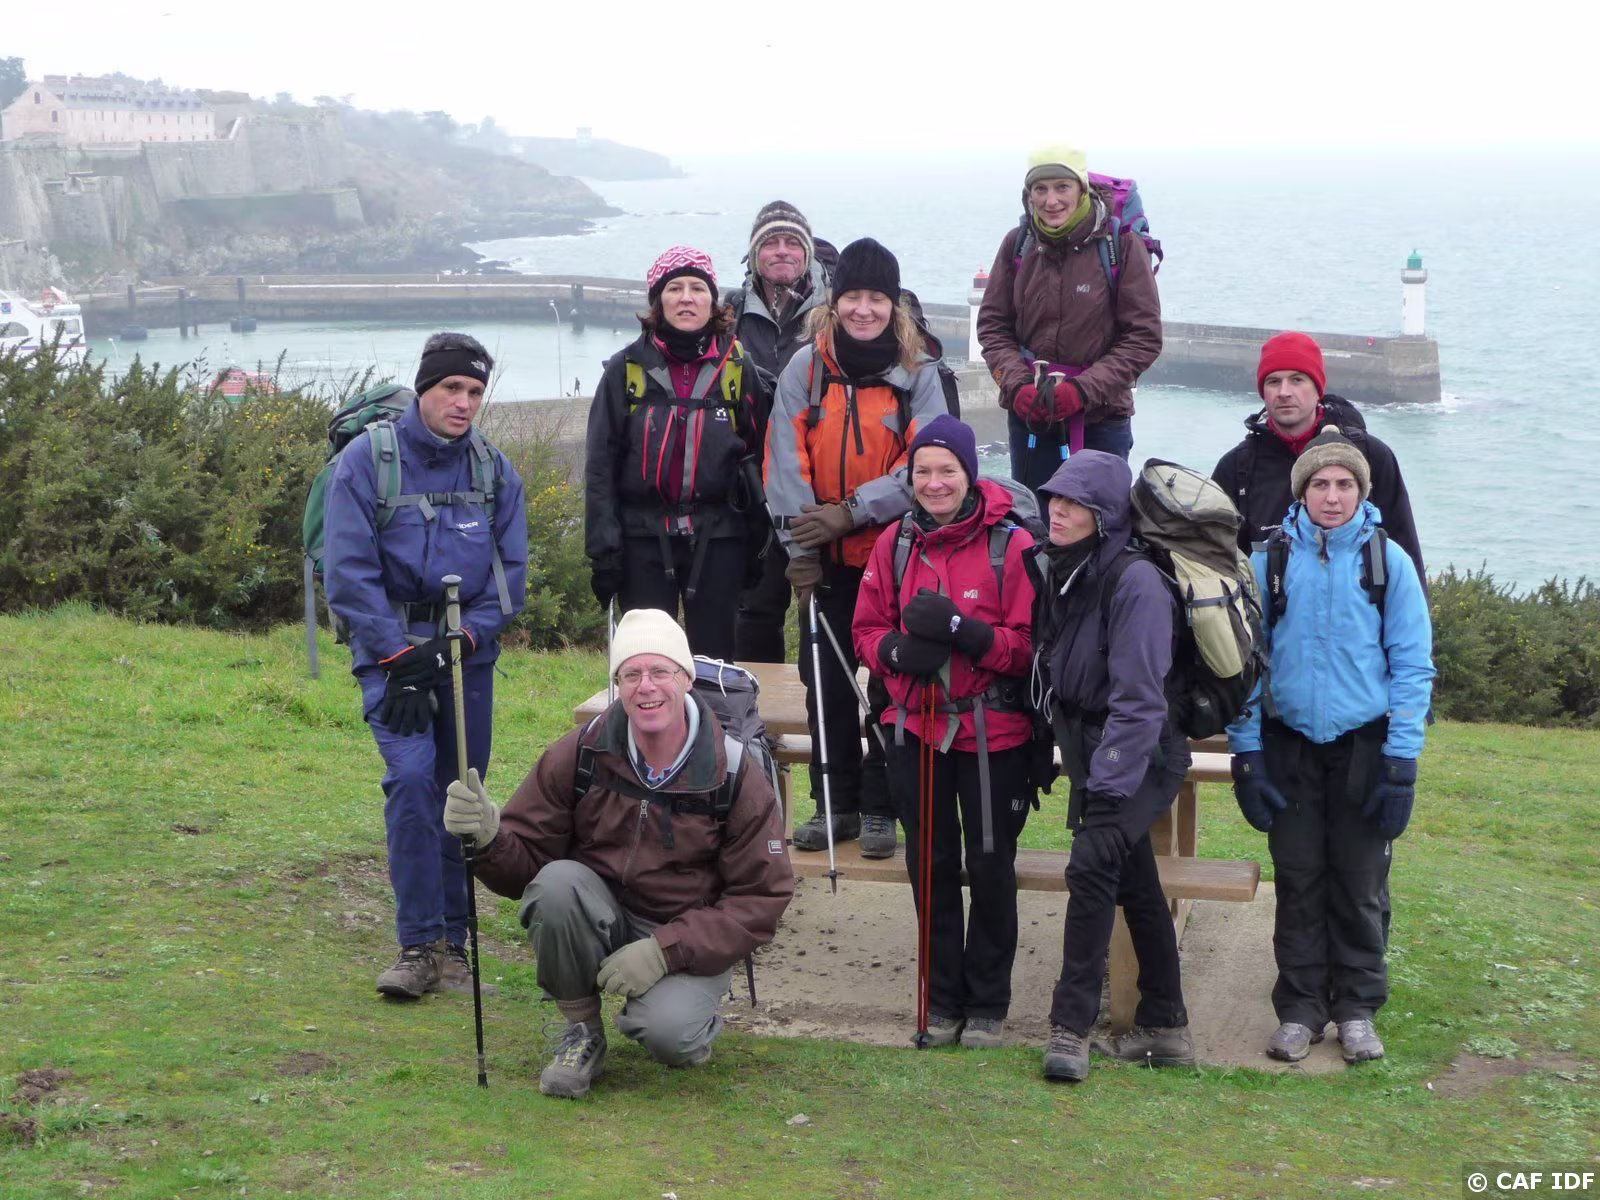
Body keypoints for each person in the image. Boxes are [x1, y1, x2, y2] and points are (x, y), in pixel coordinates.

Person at [441, 609, 795, 1099]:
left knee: (671, 1037)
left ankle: (685, 1017)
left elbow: (760, 898)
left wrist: (665, 951)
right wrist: (487, 838)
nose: (646, 687)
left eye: (660, 671)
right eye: (631, 674)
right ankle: (581, 1032)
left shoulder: (734, 773)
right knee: (557, 885)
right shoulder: (580, 752)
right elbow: (526, 871)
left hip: (684, 932)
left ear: (686, 678)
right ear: (617, 685)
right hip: (599, 910)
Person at [323, 332, 529, 999]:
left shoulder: (493, 472)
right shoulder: (366, 462)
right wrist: (397, 654)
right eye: (451, 388)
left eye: (475, 391)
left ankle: (455, 942)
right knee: (412, 782)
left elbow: (510, 581)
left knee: (460, 789)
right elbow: (348, 572)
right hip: (390, 657)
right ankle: (418, 946)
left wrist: (461, 640)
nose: (463, 402)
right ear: (424, 389)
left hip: (465, 657)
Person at [1227, 428, 1434, 1065]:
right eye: (1320, 483)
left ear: (1362, 491)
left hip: (1365, 747)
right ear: (1302, 491)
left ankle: (1357, 1009)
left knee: (1360, 881)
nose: (1333, 495)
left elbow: (1413, 666)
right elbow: (1244, 664)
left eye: (1345, 484)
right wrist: (1246, 753)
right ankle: (1300, 1009)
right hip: (1288, 745)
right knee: (1298, 879)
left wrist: (1401, 762)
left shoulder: (1388, 563)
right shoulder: (1267, 562)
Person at [853, 415, 1038, 1047]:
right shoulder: (894, 543)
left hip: (994, 733)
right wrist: (897, 653)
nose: (934, 483)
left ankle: (987, 1002)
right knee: (929, 863)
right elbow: (866, 628)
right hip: (916, 728)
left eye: (947, 470)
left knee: (990, 864)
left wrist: (967, 632)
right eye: (923, 471)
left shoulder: (1012, 545)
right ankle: (941, 1001)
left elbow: (1029, 647)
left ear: (970, 474)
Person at [766, 237, 953, 858]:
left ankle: (881, 807)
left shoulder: (919, 372)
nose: (864, 309)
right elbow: (783, 459)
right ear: (834, 299)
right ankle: (834, 804)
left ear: (894, 304)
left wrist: (852, 511)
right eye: (853, 296)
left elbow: (927, 466)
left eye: (877, 298)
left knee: (893, 685)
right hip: (823, 561)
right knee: (825, 683)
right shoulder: (805, 368)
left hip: (896, 557)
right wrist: (799, 546)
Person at [1032, 451, 1196, 1083]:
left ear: (1103, 514)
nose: (1057, 511)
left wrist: (1108, 785)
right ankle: (1166, 1025)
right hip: (1097, 750)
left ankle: (1069, 1028)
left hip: (1141, 753)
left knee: (1092, 866)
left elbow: (1140, 700)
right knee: (1135, 879)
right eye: (1054, 498)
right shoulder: (1068, 568)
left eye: (1074, 503)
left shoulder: (1136, 583)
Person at [584, 246, 765, 661]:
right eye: (675, 288)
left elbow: (758, 456)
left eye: (698, 288)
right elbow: (600, 466)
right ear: (658, 300)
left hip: (719, 537)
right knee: (648, 658)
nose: (687, 298)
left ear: (713, 301)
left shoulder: (738, 368)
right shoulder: (625, 369)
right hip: (642, 538)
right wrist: (604, 549)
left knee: (715, 662)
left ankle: (715, 709)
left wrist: (759, 542)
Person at [977, 145, 1162, 497]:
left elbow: (1144, 337)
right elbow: (993, 326)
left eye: (1062, 187)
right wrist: (1017, 386)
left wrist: (1081, 391)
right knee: (1034, 515)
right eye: (1040, 189)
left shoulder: (1120, 245)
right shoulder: (1018, 243)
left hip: (1101, 420)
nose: (1051, 200)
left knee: (1099, 520)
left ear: (1082, 188)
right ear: (1029, 194)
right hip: (1031, 416)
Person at [1213, 331, 1426, 579]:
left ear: (1318, 389)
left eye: (1297, 380)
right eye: (1273, 381)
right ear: (1263, 391)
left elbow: (1405, 553)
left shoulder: (1370, 456)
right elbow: (1214, 562)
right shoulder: (1236, 467)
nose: (1284, 392)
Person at [730, 201, 831, 665]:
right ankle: (757, 707)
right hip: (751, 489)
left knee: (823, 611)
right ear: (755, 254)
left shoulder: (836, 311)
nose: (782, 251)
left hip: (821, 489)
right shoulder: (728, 314)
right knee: (754, 611)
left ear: (807, 252)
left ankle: (826, 704)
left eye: (793, 242)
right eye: (771, 242)